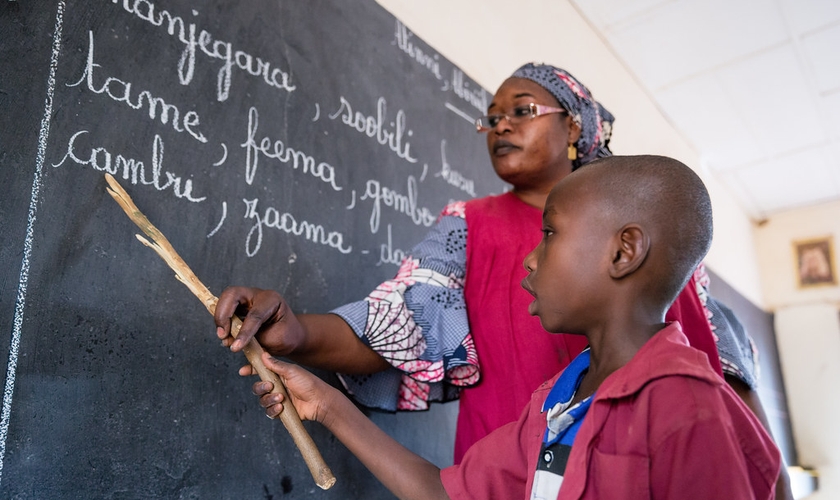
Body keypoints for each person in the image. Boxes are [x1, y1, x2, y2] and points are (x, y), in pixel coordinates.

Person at [214, 63, 725, 463]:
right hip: (508, 472)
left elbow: (726, 369)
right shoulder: (468, 225)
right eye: (493, 115)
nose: (499, 124)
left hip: (657, 461)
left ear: (572, 125)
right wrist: (297, 332)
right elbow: (405, 322)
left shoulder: (657, 220)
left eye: (522, 111)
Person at [249, 155, 781, 499]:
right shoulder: (556, 402)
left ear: (623, 252)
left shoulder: (686, 408)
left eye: (549, 235)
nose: (529, 261)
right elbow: (443, 492)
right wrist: (327, 405)